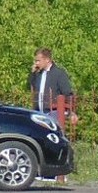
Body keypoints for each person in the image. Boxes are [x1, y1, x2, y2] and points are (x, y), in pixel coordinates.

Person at [29, 48, 77, 184]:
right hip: (39, 111)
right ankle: (43, 172)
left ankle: (58, 173)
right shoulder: (38, 74)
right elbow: (31, 87)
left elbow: (68, 93)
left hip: (54, 111)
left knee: (54, 140)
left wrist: (71, 111)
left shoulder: (58, 73)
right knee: (39, 140)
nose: (36, 63)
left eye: (38, 60)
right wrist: (33, 74)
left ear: (47, 60)